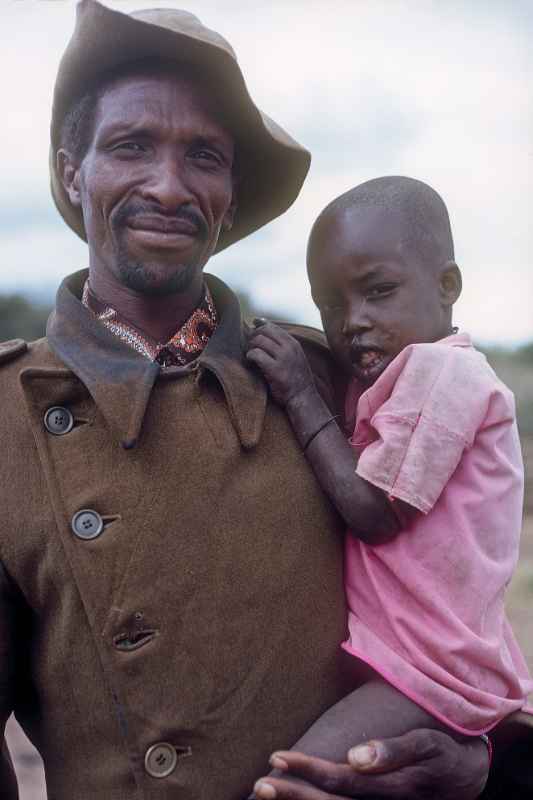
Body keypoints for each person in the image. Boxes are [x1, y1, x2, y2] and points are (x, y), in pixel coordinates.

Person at [0, 2, 531, 798]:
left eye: (204, 156)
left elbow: (457, 606)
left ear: (229, 190)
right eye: (131, 145)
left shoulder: (333, 374)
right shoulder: (8, 418)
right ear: (74, 172)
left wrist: (481, 769)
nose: (169, 186)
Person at [247, 176, 533, 798]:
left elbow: (375, 510)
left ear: (447, 286)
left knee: (288, 784)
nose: (352, 322)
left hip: (430, 673)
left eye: (379, 291)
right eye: (329, 304)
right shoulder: (396, 375)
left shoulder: (444, 372)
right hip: (410, 662)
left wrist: (298, 393)